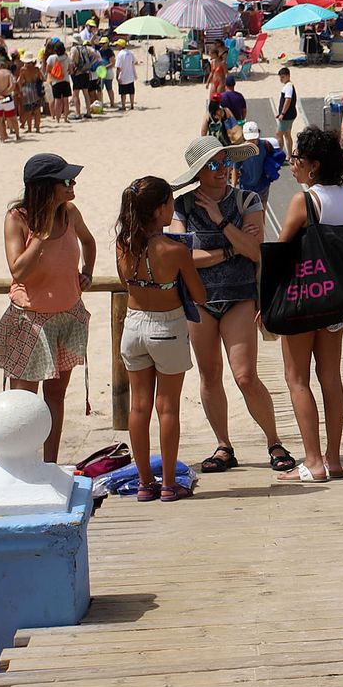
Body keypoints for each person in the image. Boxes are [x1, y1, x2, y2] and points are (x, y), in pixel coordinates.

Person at [168, 137, 297, 476]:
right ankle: (224, 445)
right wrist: (229, 249)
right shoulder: (181, 206)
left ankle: (274, 441)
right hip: (200, 300)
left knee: (245, 375)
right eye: (213, 164)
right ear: (198, 171)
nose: (222, 170)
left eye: (225, 162)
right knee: (210, 376)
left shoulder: (246, 199)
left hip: (240, 297)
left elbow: (256, 251)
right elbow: (182, 257)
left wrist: (219, 220)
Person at [0, 155, 95, 463]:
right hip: (30, 321)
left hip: (68, 316)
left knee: (55, 397)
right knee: (24, 402)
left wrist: (88, 271)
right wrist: (41, 236)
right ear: (46, 188)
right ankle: (22, 465)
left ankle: (49, 464)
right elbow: (18, 271)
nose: (73, 185)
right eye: (66, 181)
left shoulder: (70, 212)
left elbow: (89, 241)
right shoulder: (17, 218)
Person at [274, 127, 343, 481]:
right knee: (331, 377)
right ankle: (334, 458)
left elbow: (282, 252)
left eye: (296, 158)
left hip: (302, 298)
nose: (291, 163)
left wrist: (267, 303)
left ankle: (312, 461)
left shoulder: (305, 200)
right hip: (337, 299)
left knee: (297, 378)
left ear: (313, 165)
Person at [116, 176, 205, 502]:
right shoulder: (174, 249)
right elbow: (199, 295)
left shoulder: (123, 244)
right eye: (169, 202)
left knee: (139, 407)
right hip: (166, 326)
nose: (172, 207)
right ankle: (168, 483)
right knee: (167, 408)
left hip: (133, 323)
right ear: (158, 210)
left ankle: (144, 483)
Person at [232, 120, 282, 204]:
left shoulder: (265, 145)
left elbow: (275, 158)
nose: (252, 142)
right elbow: (235, 169)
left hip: (263, 186)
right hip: (245, 187)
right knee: (247, 212)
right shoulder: (240, 150)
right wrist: (233, 187)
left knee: (262, 209)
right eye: (249, 139)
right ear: (244, 137)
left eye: (254, 139)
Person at [17, 56, 45, 134]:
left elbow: (20, 81)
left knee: (28, 110)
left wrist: (20, 91)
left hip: (27, 89)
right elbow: (42, 78)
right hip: (35, 88)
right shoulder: (36, 69)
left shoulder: (23, 70)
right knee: (37, 110)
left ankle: (29, 128)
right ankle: (37, 128)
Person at [275, 66, 298, 156]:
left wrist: (282, 114)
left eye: (283, 77)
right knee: (287, 134)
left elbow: (288, 100)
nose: (281, 79)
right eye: (280, 77)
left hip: (287, 116)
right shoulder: (288, 86)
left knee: (279, 134)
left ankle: (280, 154)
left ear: (288, 76)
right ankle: (289, 155)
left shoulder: (288, 87)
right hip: (289, 114)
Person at [113, 40, 138, 111]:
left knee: (123, 93)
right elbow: (135, 61)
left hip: (123, 76)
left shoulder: (120, 55)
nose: (116, 46)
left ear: (121, 46)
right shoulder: (130, 53)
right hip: (130, 75)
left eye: (117, 45)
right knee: (131, 91)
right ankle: (132, 105)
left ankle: (123, 106)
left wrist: (117, 76)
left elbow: (118, 67)